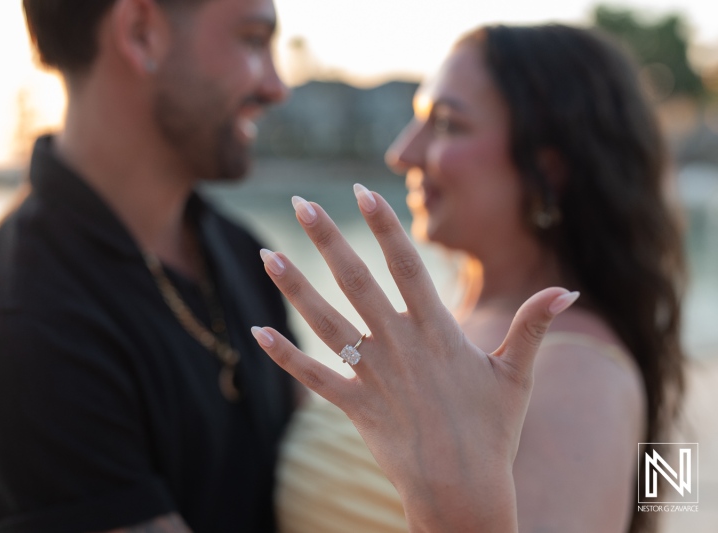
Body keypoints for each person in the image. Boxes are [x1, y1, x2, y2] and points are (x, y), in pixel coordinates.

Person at [254, 24, 686, 533]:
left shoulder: (581, 372)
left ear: (546, 168)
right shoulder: (449, 330)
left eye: (446, 125)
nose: (402, 153)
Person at [0, 0, 300, 531]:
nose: (275, 87)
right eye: (251, 40)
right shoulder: (21, 328)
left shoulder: (241, 251)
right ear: (141, 33)